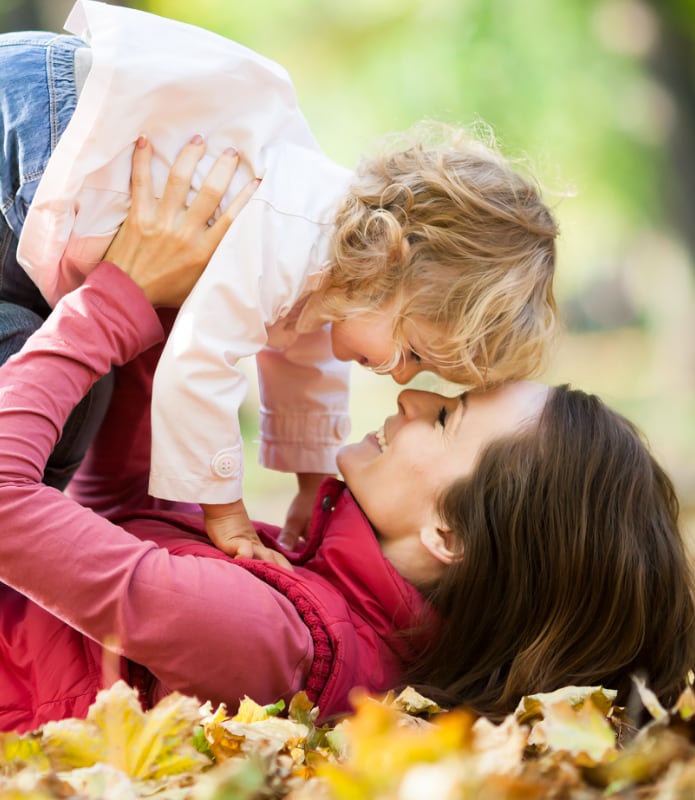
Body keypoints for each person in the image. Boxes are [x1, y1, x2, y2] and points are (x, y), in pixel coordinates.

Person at [0, 140, 695, 734]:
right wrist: (192, 271)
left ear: (449, 536)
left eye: (446, 418)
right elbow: (120, 504)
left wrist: (119, 294)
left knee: (39, 345)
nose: (411, 394)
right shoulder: (326, 596)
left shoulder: (262, 637)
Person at [0, 2, 559, 556]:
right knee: (65, 419)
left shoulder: (337, 267)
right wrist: (225, 510)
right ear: (393, 263)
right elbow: (199, 363)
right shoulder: (295, 229)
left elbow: (307, 365)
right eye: (412, 352)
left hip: (57, 151)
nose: (397, 376)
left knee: (74, 399)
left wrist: (311, 478)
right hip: (44, 139)